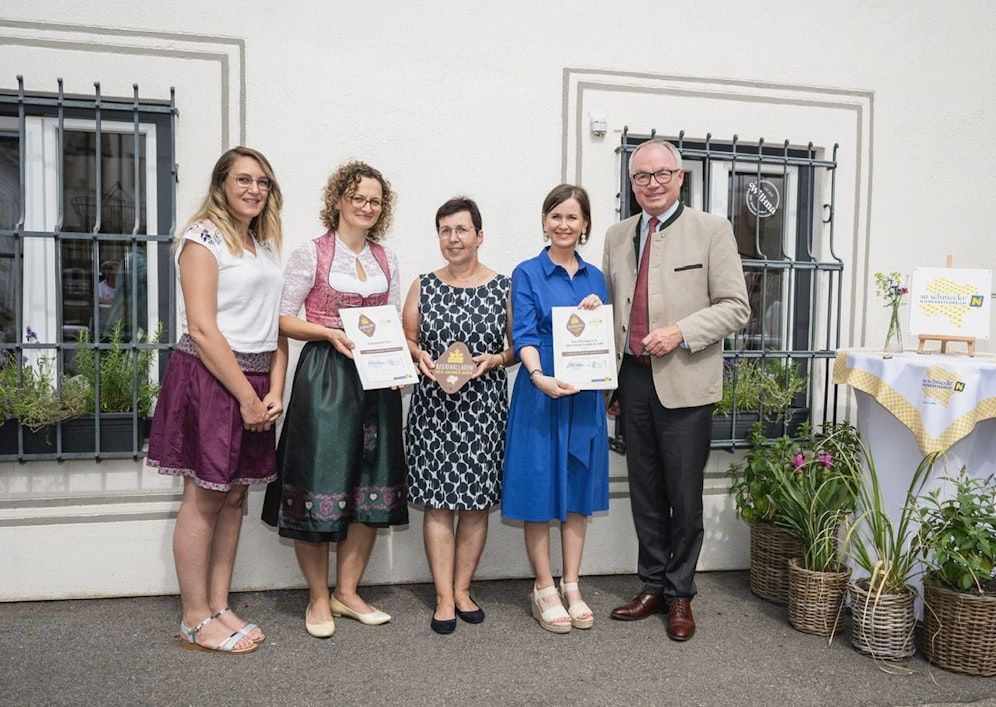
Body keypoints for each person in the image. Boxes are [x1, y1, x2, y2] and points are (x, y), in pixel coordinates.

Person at [602, 138, 749, 641]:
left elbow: (736, 306)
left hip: (686, 381)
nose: (653, 183)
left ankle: (680, 593)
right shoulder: (617, 235)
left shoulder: (712, 230)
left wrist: (681, 332)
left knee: (684, 496)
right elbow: (610, 309)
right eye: (642, 176)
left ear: (680, 177)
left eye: (662, 173)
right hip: (632, 378)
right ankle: (652, 586)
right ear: (632, 183)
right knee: (644, 491)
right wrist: (607, 378)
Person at [147, 146, 287, 654]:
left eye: (263, 182)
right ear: (221, 184)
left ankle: (218, 605)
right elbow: (204, 330)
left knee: (234, 497)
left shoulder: (261, 245)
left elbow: (273, 326)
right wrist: (245, 396)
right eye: (244, 179)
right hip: (212, 377)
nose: (255, 189)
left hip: (255, 380)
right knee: (204, 497)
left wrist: (273, 390)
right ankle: (193, 618)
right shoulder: (202, 238)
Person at [262, 161, 408, 639]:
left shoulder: (387, 258)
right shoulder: (313, 252)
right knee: (318, 481)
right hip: (326, 374)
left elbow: (392, 322)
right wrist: (327, 332)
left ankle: (347, 591)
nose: (366, 206)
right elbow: (281, 318)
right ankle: (318, 596)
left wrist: (397, 366)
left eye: (375, 201)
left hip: (375, 378)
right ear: (339, 200)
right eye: (357, 197)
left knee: (370, 485)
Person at [403, 197, 514, 635]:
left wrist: (497, 359)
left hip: (483, 410)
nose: (453, 238)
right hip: (434, 410)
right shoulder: (423, 285)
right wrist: (417, 355)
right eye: (445, 230)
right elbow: (407, 338)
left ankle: (463, 589)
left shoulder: (503, 287)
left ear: (479, 236)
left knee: (475, 505)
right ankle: (443, 597)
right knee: (437, 504)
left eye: (462, 229)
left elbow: (517, 346)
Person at [501, 184, 609, 634]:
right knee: (538, 489)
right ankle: (544, 587)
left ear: (585, 225)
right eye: (556, 216)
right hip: (540, 390)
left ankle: (572, 585)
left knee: (579, 490)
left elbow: (602, 338)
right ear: (545, 221)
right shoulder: (527, 272)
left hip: (584, 394)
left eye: (572, 217)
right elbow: (523, 335)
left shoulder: (596, 277)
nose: (563, 224)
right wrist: (537, 375)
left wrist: (595, 312)